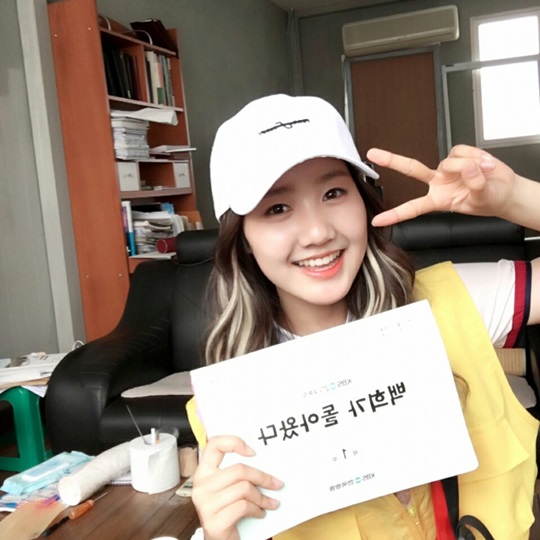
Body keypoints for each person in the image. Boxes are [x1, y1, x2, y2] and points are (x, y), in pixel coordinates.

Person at [186, 94, 540, 540]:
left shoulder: (450, 301)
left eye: (333, 193)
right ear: (243, 240)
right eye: (277, 208)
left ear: (364, 201)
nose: (318, 232)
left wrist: (517, 199)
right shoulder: (231, 405)